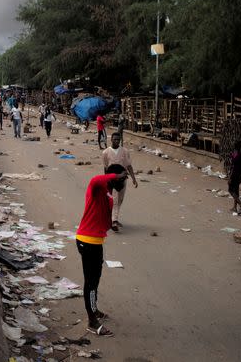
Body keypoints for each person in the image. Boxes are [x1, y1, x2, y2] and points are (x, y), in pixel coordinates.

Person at [76, 164, 128, 337]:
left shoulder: (108, 194)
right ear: (113, 176)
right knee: (90, 282)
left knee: (96, 278)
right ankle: (92, 321)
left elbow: (104, 216)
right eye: (122, 178)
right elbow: (96, 179)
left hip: (96, 241)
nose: (123, 181)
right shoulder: (98, 186)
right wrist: (114, 175)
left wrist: (108, 226)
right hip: (86, 240)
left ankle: (94, 309)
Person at [101, 132, 139, 231]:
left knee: (120, 200)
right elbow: (106, 167)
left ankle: (112, 218)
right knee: (114, 199)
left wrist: (134, 178)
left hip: (122, 179)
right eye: (115, 139)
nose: (117, 141)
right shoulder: (105, 153)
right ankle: (114, 221)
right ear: (111, 140)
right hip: (111, 180)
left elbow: (128, 165)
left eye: (118, 139)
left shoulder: (125, 151)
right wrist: (106, 180)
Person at [228, 140, 241, 214]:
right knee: (236, 190)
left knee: (231, 190)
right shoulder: (240, 154)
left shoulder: (236, 155)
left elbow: (233, 167)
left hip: (235, 174)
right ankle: (235, 207)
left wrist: (230, 177)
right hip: (239, 174)